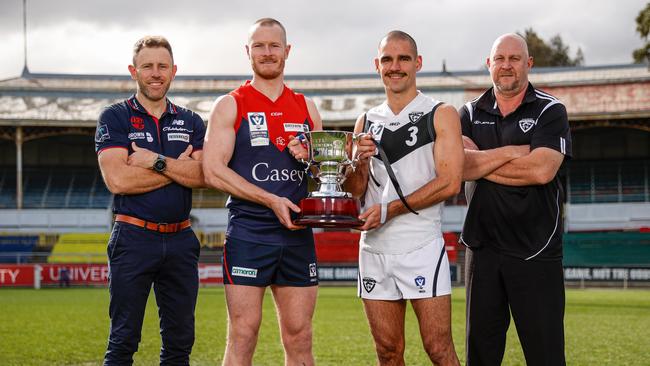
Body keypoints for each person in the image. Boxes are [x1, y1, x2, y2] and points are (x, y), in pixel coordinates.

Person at [202, 18, 323, 366]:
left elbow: (320, 175)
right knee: (244, 333)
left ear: (287, 51)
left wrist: (316, 161)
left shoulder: (306, 107)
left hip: (297, 233)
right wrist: (269, 199)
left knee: (300, 336)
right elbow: (213, 170)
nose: (267, 53)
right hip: (249, 231)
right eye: (259, 46)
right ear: (248, 52)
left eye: (274, 46)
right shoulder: (231, 103)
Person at [343, 31, 463, 366]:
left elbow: (451, 182)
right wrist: (359, 160)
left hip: (421, 245)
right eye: (387, 60)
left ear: (417, 63)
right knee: (387, 351)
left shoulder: (440, 113)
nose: (395, 67)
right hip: (374, 248)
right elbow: (355, 189)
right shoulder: (365, 120)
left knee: (438, 349)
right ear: (377, 66)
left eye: (403, 58)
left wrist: (389, 210)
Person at [459, 33, 572, 366]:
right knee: (480, 355)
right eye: (500, 59)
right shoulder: (467, 112)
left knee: (546, 355)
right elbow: (461, 166)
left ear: (529, 63)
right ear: (489, 64)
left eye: (515, 58)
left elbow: (541, 171)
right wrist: (511, 153)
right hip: (482, 248)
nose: (506, 66)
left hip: (535, 249)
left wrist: (482, 163)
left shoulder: (551, 111)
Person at [95, 35, 206, 365]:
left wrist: (155, 161)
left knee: (180, 341)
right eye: (148, 66)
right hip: (133, 238)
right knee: (124, 340)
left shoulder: (191, 121)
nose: (156, 73)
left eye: (162, 66)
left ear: (174, 71)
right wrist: (178, 167)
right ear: (134, 71)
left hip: (181, 240)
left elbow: (202, 177)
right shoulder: (114, 117)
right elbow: (118, 180)